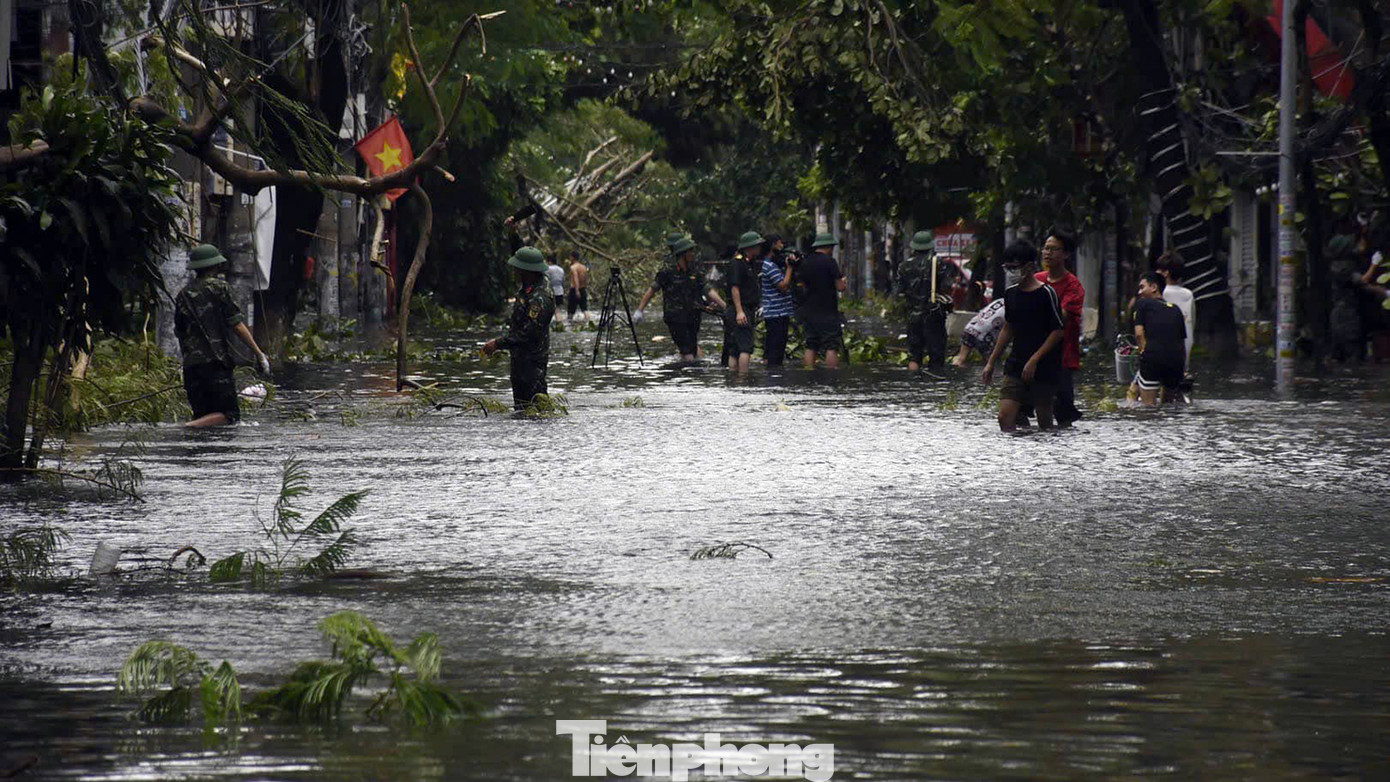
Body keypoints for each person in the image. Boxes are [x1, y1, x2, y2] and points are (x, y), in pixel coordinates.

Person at [174, 244, 271, 427]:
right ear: (215, 265)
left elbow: (179, 332)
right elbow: (236, 324)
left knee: (203, 416)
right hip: (216, 363)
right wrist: (259, 354)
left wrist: (186, 361)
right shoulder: (219, 288)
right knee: (229, 416)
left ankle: (193, 431)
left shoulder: (183, 294)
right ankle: (184, 427)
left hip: (191, 367)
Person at [982, 241, 1065, 431]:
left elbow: (1058, 330)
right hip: (1017, 363)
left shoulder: (1046, 293)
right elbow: (1008, 328)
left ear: (1028, 267)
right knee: (1004, 417)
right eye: (1007, 268)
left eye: (1014, 268)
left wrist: (1035, 359)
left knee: (1044, 419)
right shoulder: (1011, 294)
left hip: (1044, 365)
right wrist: (991, 362)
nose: (1010, 272)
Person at [483, 246, 556, 409]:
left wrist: (498, 343)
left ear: (526, 271)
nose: (514, 271)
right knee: (521, 412)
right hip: (519, 361)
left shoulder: (540, 297)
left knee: (536, 412)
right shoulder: (529, 285)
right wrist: (512, 233)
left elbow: (529, 333)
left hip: (532, 364)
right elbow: (525, 253)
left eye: (517, 268)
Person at [634, 236, 728, 361]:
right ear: (682, 254)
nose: (693, 254)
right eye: (690, 251)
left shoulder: (695, 270)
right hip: (675, 317)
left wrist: (725, 306)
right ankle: (688, 376)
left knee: (693, 350)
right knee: (687, 352)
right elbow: (652, 290)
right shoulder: (667, 272)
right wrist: (640, 310)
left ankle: (689, 372)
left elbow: (707, 290)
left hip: (693, 315)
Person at [1037, 230, 1085, 425]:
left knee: (1063, 413)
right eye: (1046, 249)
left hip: (1062, 356)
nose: (1048, 253)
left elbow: (1062, 318)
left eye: (1054, 249)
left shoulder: (1073, 286)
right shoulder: (1036, 280)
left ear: (1065, 254)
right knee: (1019, 409)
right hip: (1032, 352)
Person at [896, 230, 956, 371]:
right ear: (930, 246)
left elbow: (899, 291)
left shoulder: (904, 266)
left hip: (913, 316)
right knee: (936, 355)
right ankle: (934, 386)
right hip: (934, 314)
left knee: (914, 355)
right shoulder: (939, 263)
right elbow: (947, 287)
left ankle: (913, 382)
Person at [1133, 271, 1187, 406]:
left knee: (1148, 408)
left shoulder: (1142, 304)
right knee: (1168, 406)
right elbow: (1181, 341)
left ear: (1153, 287)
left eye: (1142, 287)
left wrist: (1142, 353)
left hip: (1153, 358)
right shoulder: (1176, 309)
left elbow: (1139, 334)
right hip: (1176, 361)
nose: (1140, 292)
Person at [798, 233, 847, 368]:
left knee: (811, 344)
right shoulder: (830, 262)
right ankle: (831, 377)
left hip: (808, 310)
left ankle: (808, 373)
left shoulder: (805, 262)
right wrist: (843, 282)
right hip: (827, 311)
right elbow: (840, 287)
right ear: (829, 247)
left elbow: (802, 286)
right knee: (831, 345)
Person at [726, 231, 765, 372]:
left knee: (736, 348)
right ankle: (743, 378)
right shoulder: (738, 263)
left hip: (746, 309)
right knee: (745, 347)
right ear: (750, 247)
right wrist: (740, 311)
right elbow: (734, 288)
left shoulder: (749, 263)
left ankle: (735, 378)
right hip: (741, 309)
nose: (760, 249)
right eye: (757, 246)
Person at [760, 234, 797, 367]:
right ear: (773, 245)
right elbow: (783, 286)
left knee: (775, 349)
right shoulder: (769, 265)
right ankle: (773, 377)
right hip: (776, 314)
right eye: (780, 244)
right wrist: (790, 268)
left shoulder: (774, 264)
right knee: (775, 351)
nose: (782, 247)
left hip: (780, 313)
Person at [1155, 251, 1195, 369]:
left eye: (1159, 270)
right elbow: (1192, 323)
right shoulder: (1188, 294)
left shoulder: (1158, 293)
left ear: (1165, 273)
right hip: (1184, 353)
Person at [951, 297, 1007, 367]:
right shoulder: (1013, 306)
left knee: (961, 360)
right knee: (992, 364)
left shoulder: (1000, 301)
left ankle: (955, 372)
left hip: (970, 329)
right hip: (984, 336)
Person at [567, 249, 590, 321]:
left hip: (574, 290)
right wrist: (584, 287)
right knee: (585, 309)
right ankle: (588, 322)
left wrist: (577, 290)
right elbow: (586, 278)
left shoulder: (573, 267)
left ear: (572, 257)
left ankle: (569, 324)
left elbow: (575, 278)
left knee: (571, 311)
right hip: (583, 289)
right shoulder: (584, 267)